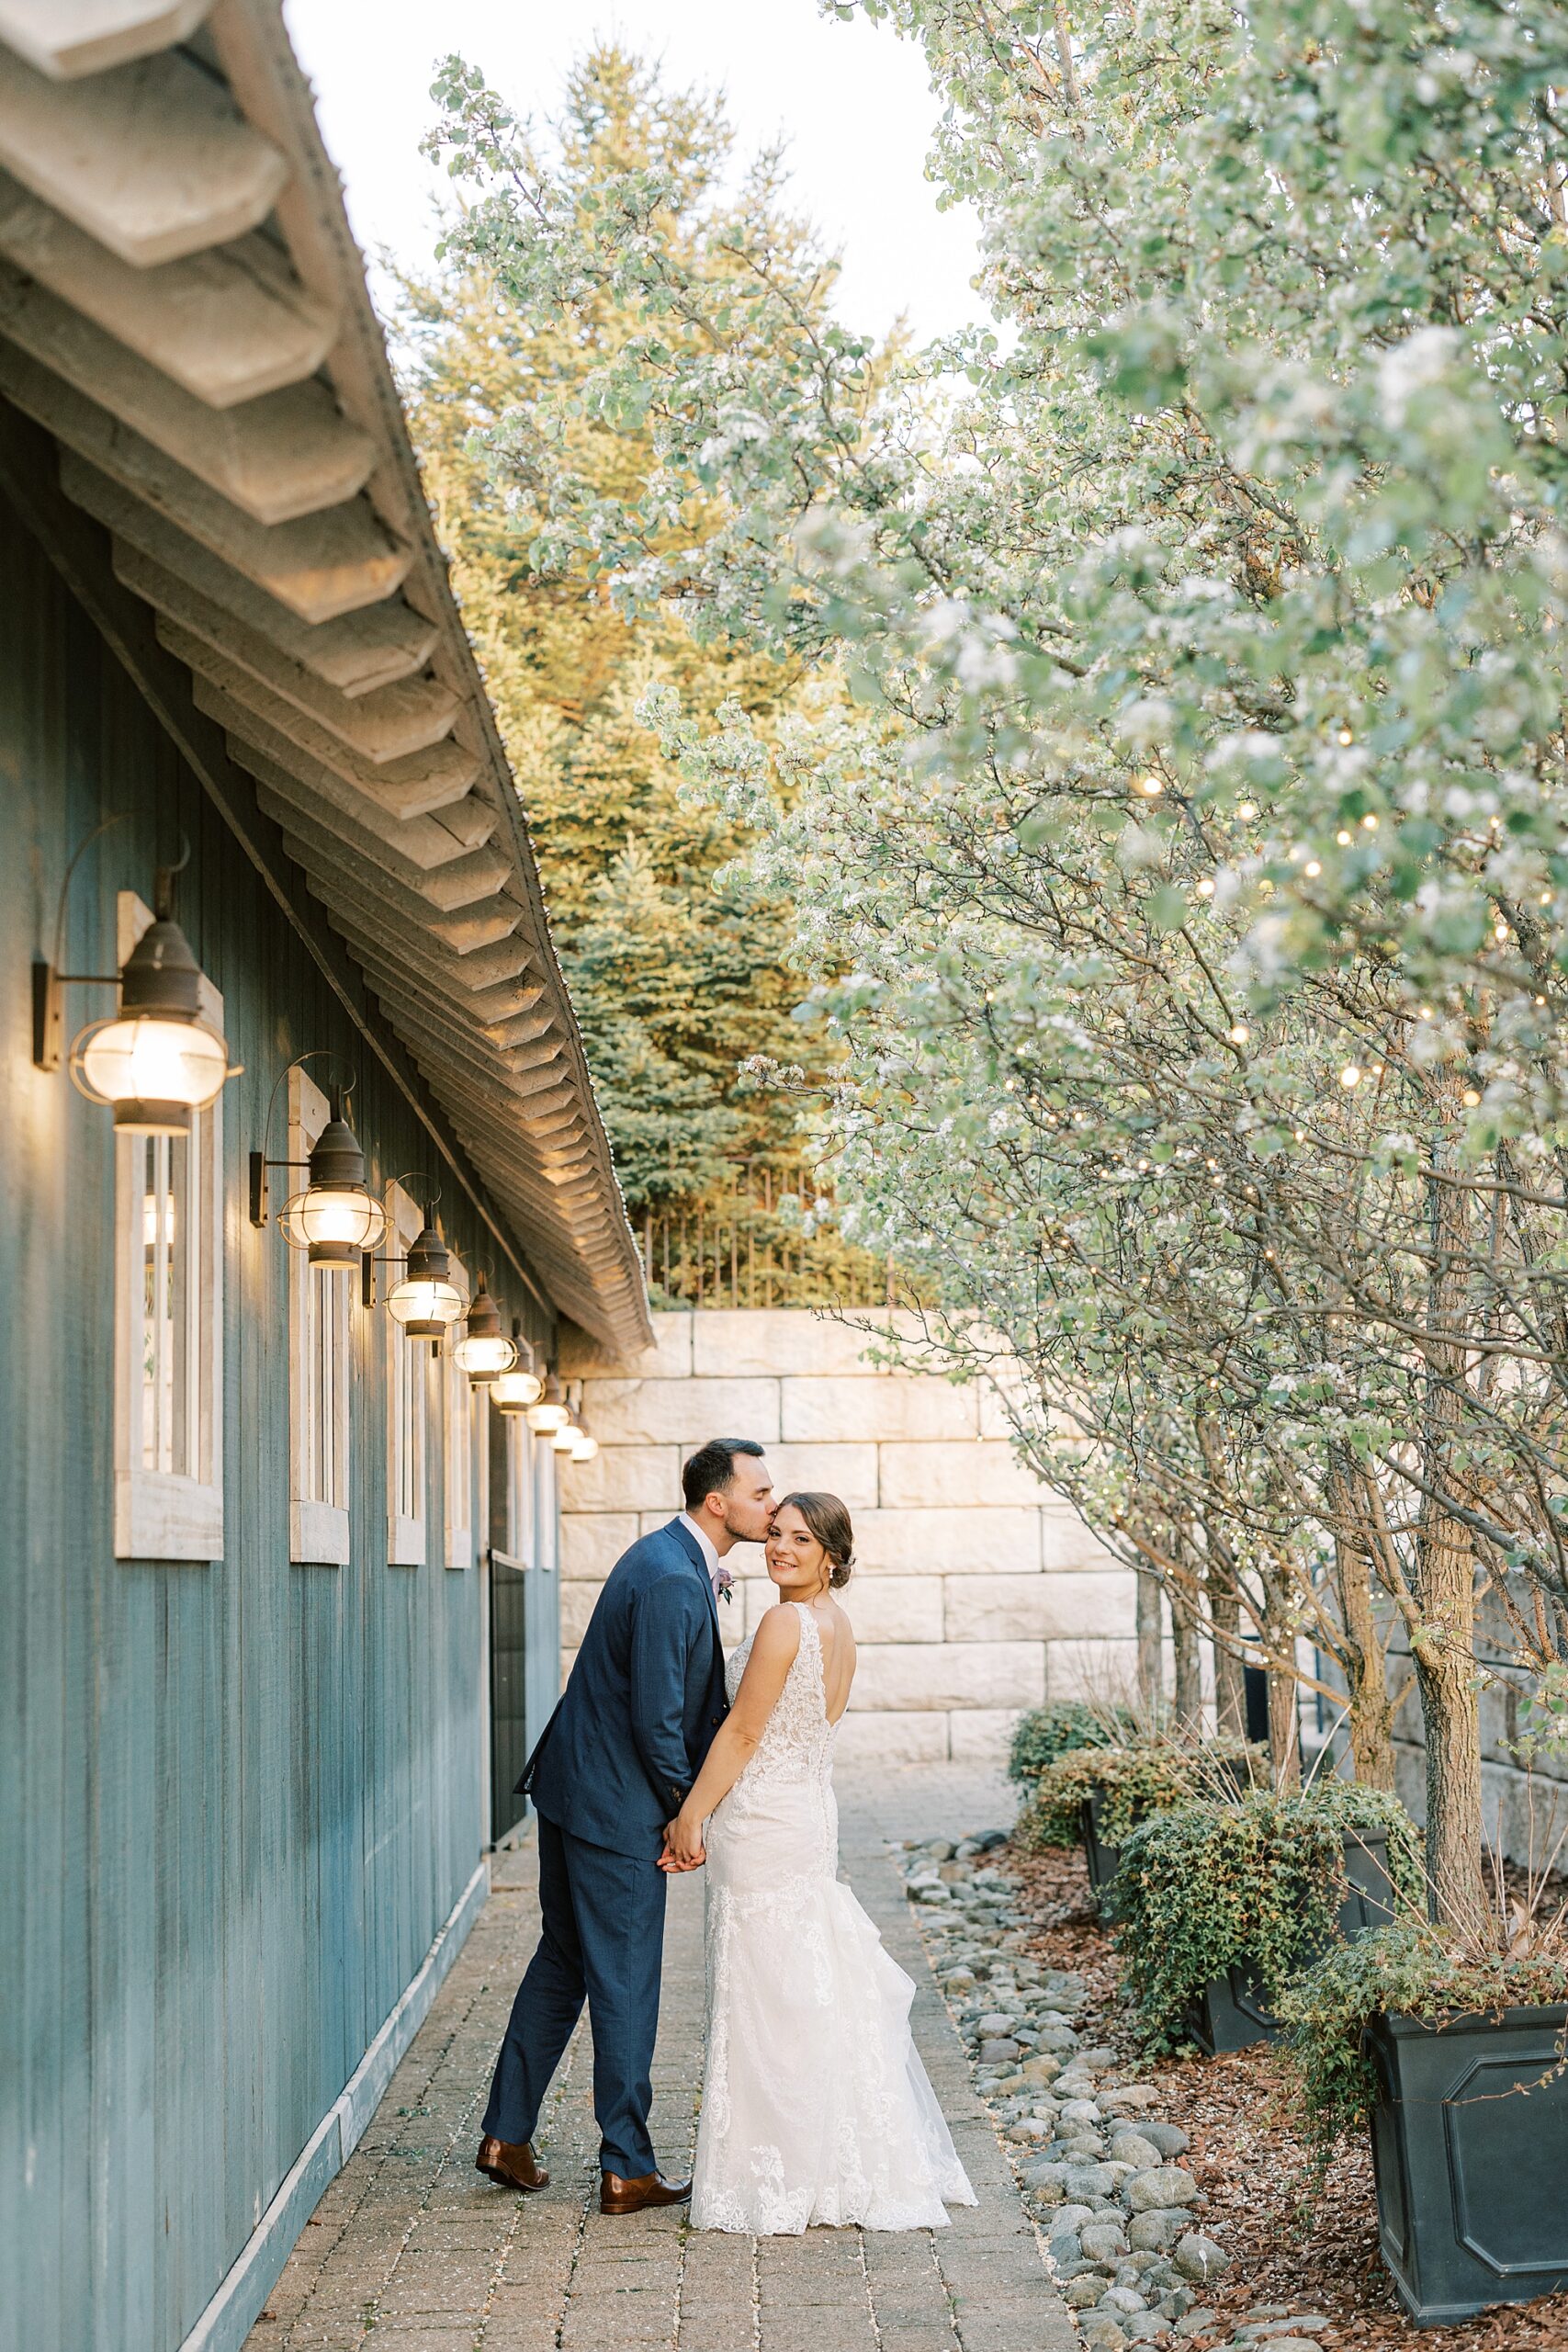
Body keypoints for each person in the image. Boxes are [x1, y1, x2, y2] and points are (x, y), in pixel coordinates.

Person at [475, 1436, 774, 2214]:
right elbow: (658, 1718)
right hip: (614, 1812)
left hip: (573, 1795)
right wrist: (688, 1813)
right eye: (760, 1494)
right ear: (719, 1501)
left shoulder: (662, 1558)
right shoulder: (676, 1580)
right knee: (626, 1981)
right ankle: (627, 2166)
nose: (770, 1507)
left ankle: (506, 2136)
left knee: (564, 1962)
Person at [664, 1492, 977, 2233]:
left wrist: (690, 1814)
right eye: (774, 1534)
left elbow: (742, 1733)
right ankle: (826, 2151)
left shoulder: (783, 1622)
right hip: (805, 1815)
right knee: (800, 1984)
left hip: (766, 1819)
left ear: (830, 1555)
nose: (779, 1548)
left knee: (766, 1990)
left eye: (799, 1539)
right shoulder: (838, 1627)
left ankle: (779, 2167)